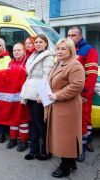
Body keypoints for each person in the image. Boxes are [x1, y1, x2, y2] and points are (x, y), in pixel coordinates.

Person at [45, 38, 85, 178]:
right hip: (58, 106)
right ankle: (70, 162)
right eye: (58, 49)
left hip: (68, 108)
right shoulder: (59, 63)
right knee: (62, 137)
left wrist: (56, 96)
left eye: (63, 49)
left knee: (66, 138)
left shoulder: (75, 65)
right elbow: (52, 82)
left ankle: (65, 167)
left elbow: (76, 86)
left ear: (71, 51)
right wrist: (45, 95)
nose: (60, 51)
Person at [21, 34, 55, 160]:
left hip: (39, 93)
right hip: (30, 92)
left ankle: (46, 150)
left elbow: (46, 76)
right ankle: (34, 150)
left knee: (40, 123)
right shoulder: (34, 55)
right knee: (34, 122)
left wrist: (42, 94)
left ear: (46, 43)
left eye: (41, 42)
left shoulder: (48, 56)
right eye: (36, 42)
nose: (38, 44)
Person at [68, 26, 99, 161]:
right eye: (68, 35)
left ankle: (82, 147)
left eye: (73, 35)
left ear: (80, 36)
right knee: (81, 119)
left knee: (83, 119)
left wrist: (85, 94)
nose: (70, 38)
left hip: (82, 93)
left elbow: (92, 75)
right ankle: (87, 140)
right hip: (70, 92)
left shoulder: (89, 50)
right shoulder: (69, 50)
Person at [6, 43, 30, 152]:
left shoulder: (27, 62)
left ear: (24, 51)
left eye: (19, 50)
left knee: (23, 118)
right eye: (15, 50)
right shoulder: (10, 62)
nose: (16, 52)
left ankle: (23, 140)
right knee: (12, 116)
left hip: (23, 95)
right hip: (12, 95)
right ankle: (13, 138)